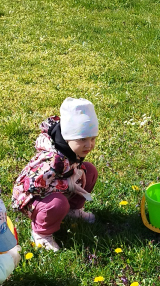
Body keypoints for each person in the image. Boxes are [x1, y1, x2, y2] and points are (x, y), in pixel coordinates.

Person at [12, 98, 99, 252]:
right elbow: (33, 187)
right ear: (67, 137)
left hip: (53, 187)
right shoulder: (53, 160)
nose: (89, 145)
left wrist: (76, 174)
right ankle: (41, 233)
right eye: (82, 139)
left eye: (92, 139)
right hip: (30, 198)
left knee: (90, 170)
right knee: (58, 203)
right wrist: (68, 184)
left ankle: (72, 211)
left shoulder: (70, 148)